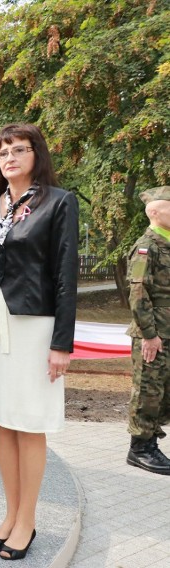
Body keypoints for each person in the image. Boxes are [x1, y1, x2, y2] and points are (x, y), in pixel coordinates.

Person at [0, 123, 78, 561]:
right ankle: (10, 514)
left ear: (35, 154)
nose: (9, 157)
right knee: (2, 422)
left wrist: (62, 343)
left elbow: (66, 276)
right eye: (3, 152)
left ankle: (27, 520)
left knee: (29, 421)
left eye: (19, 149)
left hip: (35, 326)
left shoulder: (58, 202)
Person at [125, 185, 170, 475]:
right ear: (154, 212)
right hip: (152, 334)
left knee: (161, 391)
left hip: (166, 333)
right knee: (147, 390)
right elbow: (138, 294)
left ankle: (151, 441)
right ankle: (140, 448)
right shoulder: (147, 246)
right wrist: (149, 335)